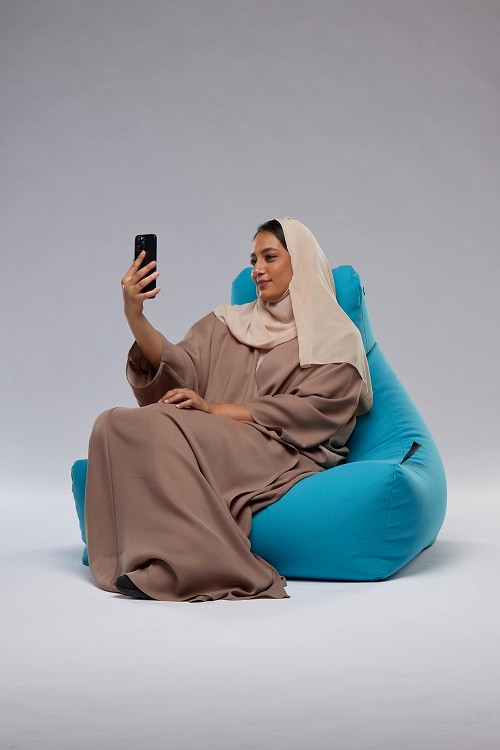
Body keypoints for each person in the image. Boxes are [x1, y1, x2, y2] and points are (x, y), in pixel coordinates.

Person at [85, 217, 373, 602]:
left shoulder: (334, 336)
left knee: (161, 426)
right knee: (111, 423)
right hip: (214, 434)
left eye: (269, 257)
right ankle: (135, 556)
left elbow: (315, 410)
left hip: (282, 447)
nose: (257, 270)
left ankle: (199, 565)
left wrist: (217, 410)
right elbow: (181, 369)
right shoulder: (228, 322)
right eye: (253, 260)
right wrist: (135, 316)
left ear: (300, 261)